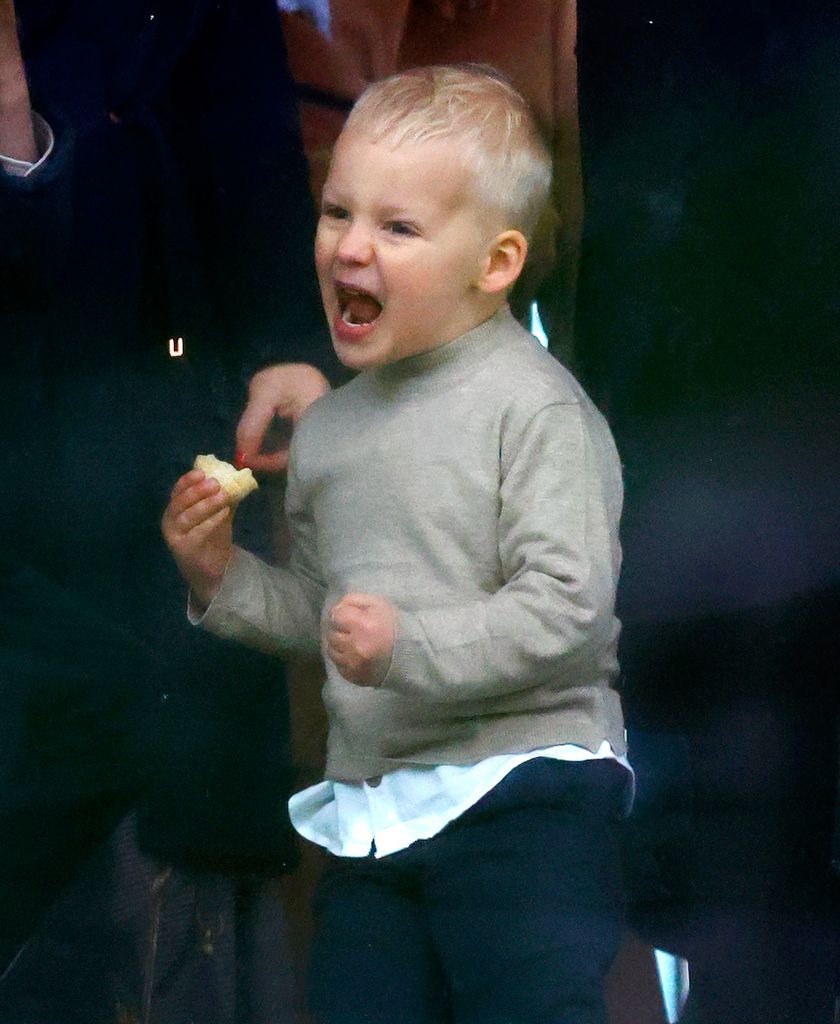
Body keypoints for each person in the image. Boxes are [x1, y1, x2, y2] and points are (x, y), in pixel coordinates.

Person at [164, 64, 631, 1024]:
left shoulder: (534, 409)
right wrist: (222, 579)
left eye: (398, 227)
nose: (350, 249)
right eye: (338, 213)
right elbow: (333, 621)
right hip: (377, 814)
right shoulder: (331, 430)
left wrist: (405, 646)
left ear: (494, 265)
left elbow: (569, 614)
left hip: (526, 791)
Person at [1, 0, 335, 1018]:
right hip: (30, 382)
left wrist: (284, 329)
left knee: (175, 786)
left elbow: (239, 88)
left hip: (159, 346)